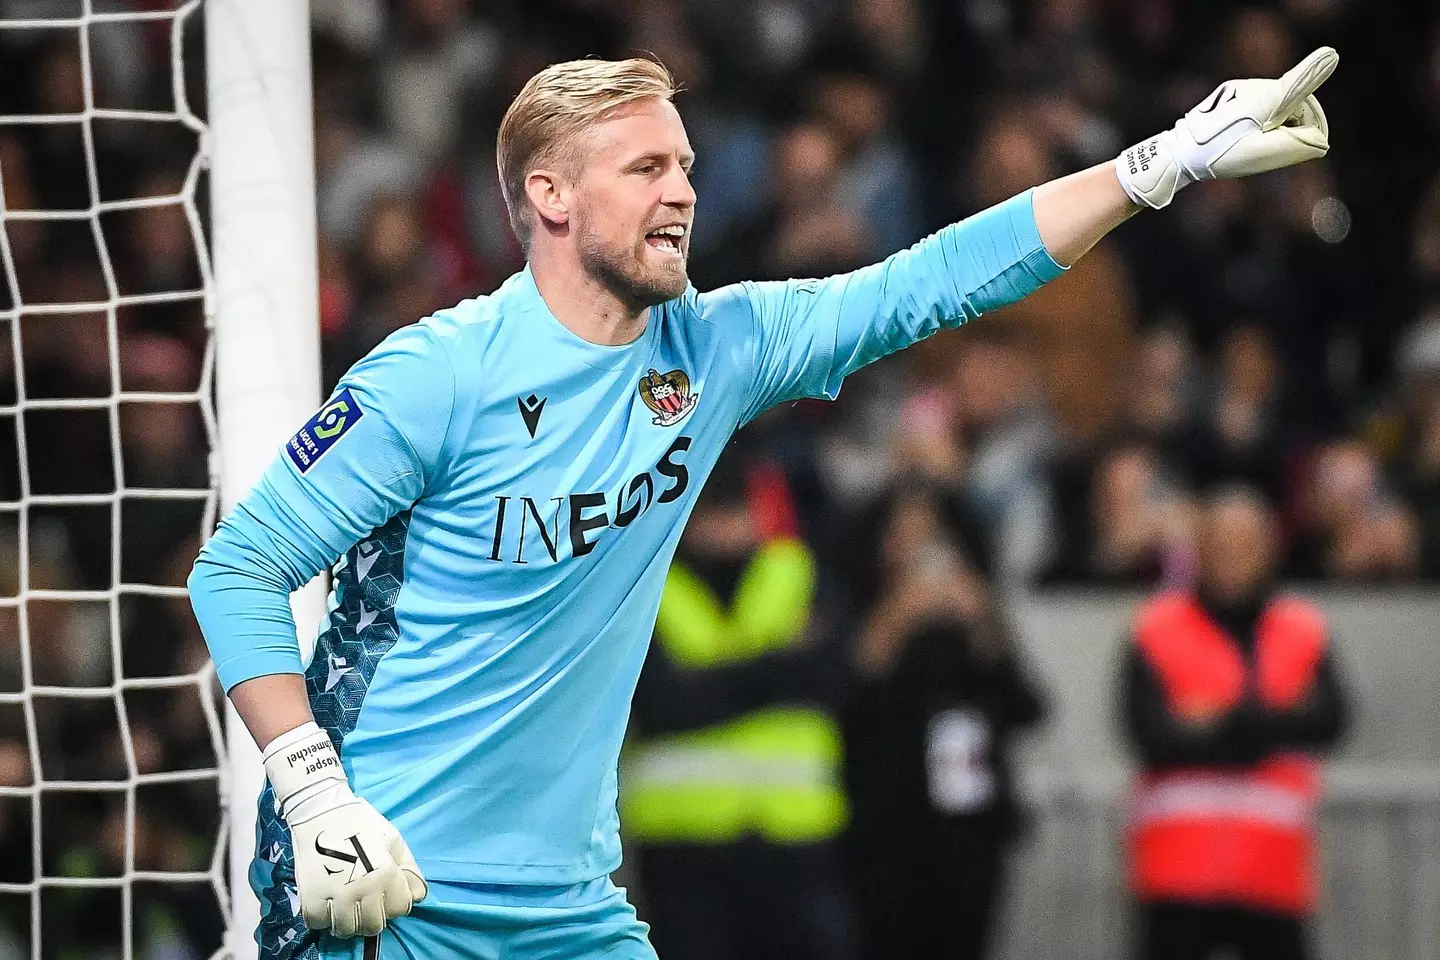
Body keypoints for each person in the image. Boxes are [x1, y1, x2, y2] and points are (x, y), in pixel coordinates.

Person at [187, 47, 1340, 960]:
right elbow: (234, 571)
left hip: (567, 904)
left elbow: (926, 283)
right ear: (548, 194)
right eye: (645, 169)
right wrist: (312, 791)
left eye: (685, 166)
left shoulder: (716, 351)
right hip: (388, 879)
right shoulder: (438, 376)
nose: (683, 191)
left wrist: (1160, 165)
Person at [622, 450, 853, 960]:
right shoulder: (645, 587)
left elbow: (834, 678)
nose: (726, 524)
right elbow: (662, 706)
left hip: (794, 841)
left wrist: (707, 685)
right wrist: (780, 667)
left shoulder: (802, 572)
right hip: (685, 848)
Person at [1120, 486, 1350, 960]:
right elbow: (1153, 734)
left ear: (1269, 550)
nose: (1232, 558)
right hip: (1179, 871)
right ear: (1200, 550)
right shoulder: (1156, 627)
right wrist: (1274, 719)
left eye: (1245, 545)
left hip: (1272, 870)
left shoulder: (1303, 627)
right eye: (1220, 544)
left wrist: (1217, 720)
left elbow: (1330, 720)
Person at [843, 482, 1046, 960]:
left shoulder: (971, 619)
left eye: (929, 537)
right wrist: (894, 619)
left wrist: (981, 621)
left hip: (968, 829)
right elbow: (845, 706)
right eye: (903, 536)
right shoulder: (861, 608)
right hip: (886, 831)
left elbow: (1028, 709)